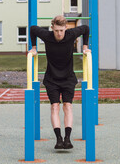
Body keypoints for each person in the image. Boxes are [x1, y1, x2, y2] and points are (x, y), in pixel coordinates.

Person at [29, 15, 90, 150]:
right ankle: (58, 139)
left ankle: (67, 139)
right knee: (54, 107)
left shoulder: (71, 34)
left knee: (67, 106)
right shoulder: (47, 35)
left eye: (61, 30)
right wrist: (34, 47)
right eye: (56, 30)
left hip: (68, 78)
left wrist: (85, 47)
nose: (59, 34)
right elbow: (32, 29)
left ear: (65, 28)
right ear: (52, 28)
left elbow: (86, 28)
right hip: (52, 79)